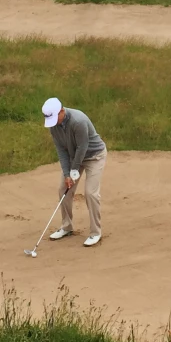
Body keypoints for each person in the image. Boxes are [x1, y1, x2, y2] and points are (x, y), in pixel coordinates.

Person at [42, 97, 107, 247]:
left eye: (54, 118)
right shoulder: (54, 126)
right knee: (63, 189)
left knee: (90, 193)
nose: (53, 122)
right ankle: (67, 226)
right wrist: (67, 174)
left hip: (94, 156)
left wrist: (74, 170)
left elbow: (82, 147)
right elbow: (61, 150)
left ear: (62, 111)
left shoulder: (78, 121)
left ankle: (95, 232)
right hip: (74, 158)